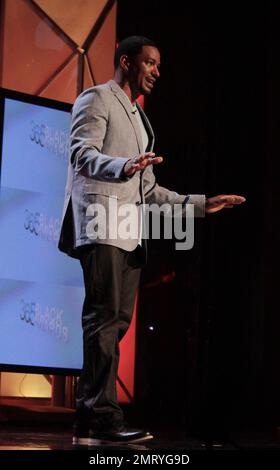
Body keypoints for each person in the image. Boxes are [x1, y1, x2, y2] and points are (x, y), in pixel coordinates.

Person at [58, 36, 245, 446]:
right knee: (103, 319)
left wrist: (200, 203)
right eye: (151, 63)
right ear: (126, 62)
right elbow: (81, 153)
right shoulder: (97, 99)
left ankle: (90, 417)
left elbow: (149, 189)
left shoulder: (141, 120)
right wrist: (123, 164)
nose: (157, 71)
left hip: (128, 228)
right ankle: (102, 416)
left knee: (116, 323)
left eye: (159, 65)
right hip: (101, 221)